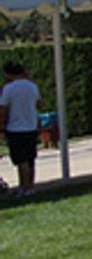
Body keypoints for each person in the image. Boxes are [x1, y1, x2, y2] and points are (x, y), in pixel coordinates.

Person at [1, 62, 41, 197]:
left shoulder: (8, 89)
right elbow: (39, 104)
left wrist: (2, 126)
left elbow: (4, 109)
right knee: (31, 159)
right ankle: (30, 186)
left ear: (8, 74)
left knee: (21, 160)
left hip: (15, 128)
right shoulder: (32, 86)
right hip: (31, 126)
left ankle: (25, 187)